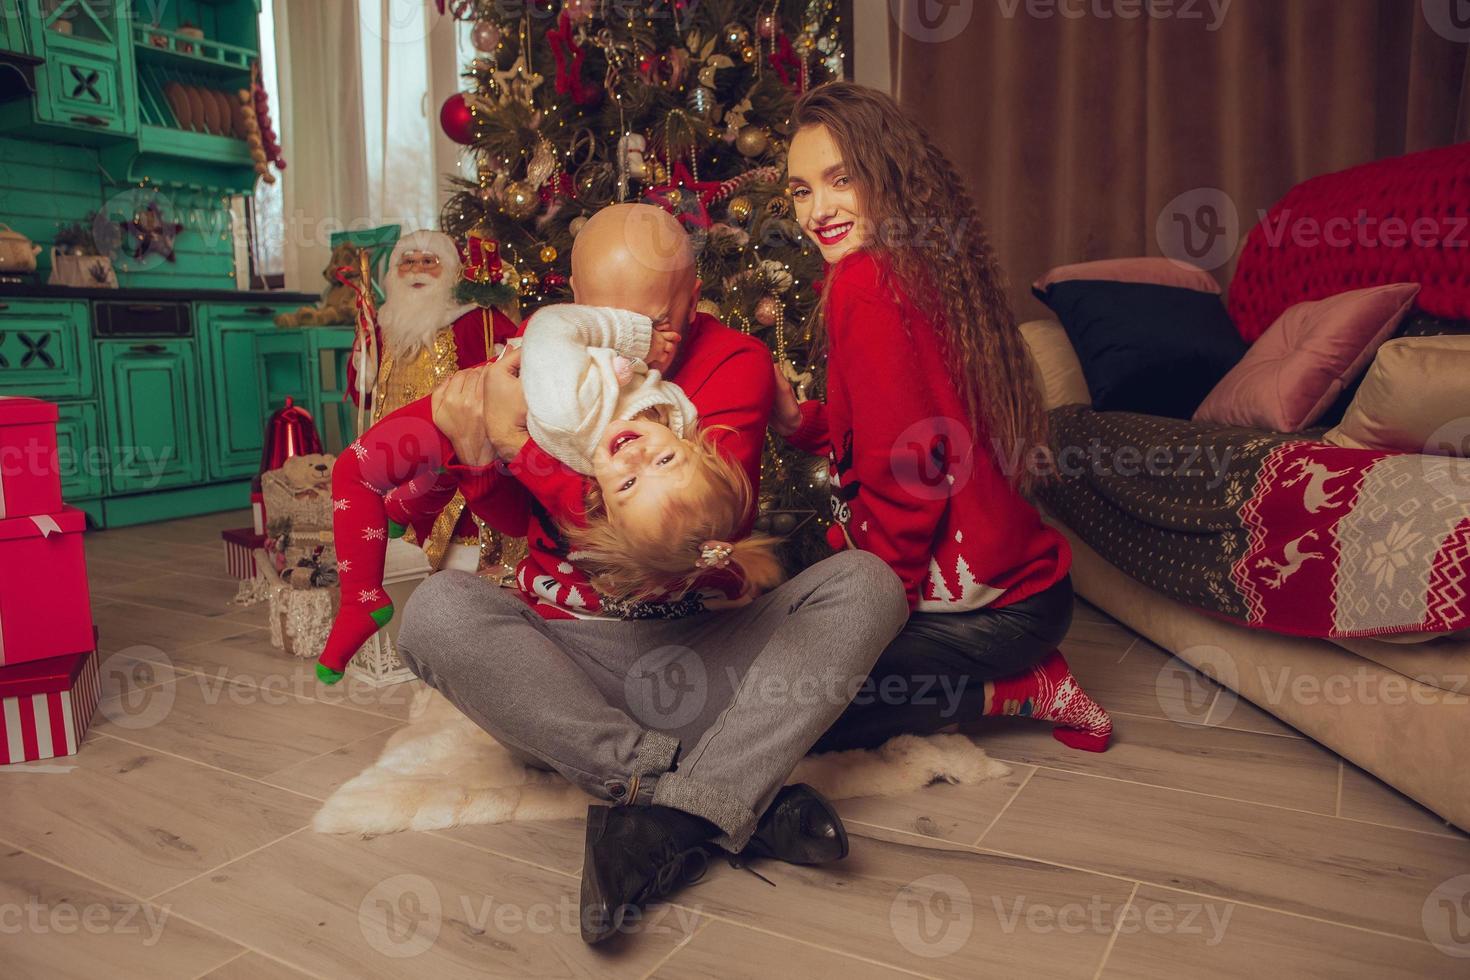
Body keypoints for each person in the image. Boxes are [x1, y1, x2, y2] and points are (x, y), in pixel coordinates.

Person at [395, 204, 909, 945]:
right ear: (572, 298)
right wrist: (479, 456)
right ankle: (703, 797)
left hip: (703, 648)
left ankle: (659, 819)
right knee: (436, 611)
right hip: (569, 678)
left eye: (656, 323)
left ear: (693, 295)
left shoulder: (736, 362)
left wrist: (522, 445)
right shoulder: (546, 357)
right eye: (608, 321)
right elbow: (521, 523)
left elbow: (677, 531)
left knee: (867, 584)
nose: (634, 347)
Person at [775, 81, 1113, 754]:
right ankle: (1015, 672)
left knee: (783, 706)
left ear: (886, 177)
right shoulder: (921, 268)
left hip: (991, 613)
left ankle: (1018, 688)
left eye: (840, 180)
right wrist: (803, 422)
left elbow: (909, 474)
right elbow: (908, 417)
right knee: (784, 673)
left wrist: (873, 615)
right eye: (801, 190)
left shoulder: (866, 284)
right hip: (1028, 598)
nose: (817, 210)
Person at [315, 303, 781, 682]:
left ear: (604, 519)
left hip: (595, 643)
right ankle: (401, 510)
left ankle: (368, 582)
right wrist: (480, 455)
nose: (637, 460)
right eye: (665, 461)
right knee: (441, 591)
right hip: (550, 624)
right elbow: (518, 513)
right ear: (693, 444)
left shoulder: (595, 474)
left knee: (356, 474)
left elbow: (550, 338)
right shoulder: (655, 415)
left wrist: (506, 437)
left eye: (628, 484)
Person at [346, 229, 521, 572]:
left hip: (450, 469)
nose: (417, 271)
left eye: (429, 262)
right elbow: (362, 394)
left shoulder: (475, 319)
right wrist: (361, 358)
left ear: (453, 271)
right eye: (407, 262)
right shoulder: (384, 326)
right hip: (394, 461)